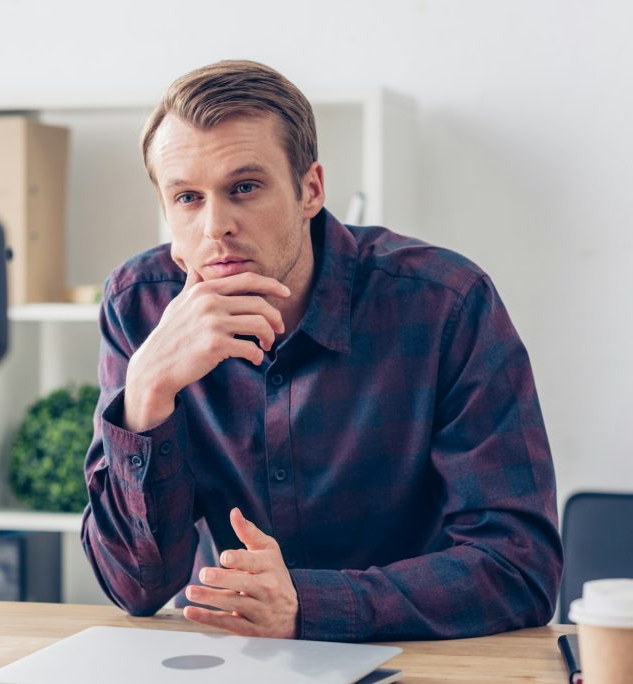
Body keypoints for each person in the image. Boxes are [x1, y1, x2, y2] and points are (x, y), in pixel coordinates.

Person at [79, 60, 563, 642]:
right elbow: (135, 588)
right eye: (187, 198)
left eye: (245, 188)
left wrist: (307, 605)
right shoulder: (138, 307)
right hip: (235, 664)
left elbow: (521, 568)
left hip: (422, 660)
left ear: (311, 189)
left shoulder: (446, 304)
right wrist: (148, 392)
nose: (216, 227)